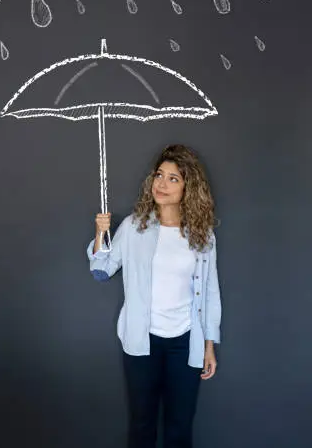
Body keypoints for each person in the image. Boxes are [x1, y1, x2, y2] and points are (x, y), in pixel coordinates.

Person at [86, 144, 222, 448]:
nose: (162, 184)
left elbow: (210, 292)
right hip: (142, 341)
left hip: (186, 342)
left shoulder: (202, 235)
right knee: (142, 425)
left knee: (179, 427)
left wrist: (209, 345)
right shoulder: (135, 227)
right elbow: (102, 271)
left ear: (189, 186)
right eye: (159, 175)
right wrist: (100, 234)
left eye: (174, 178)